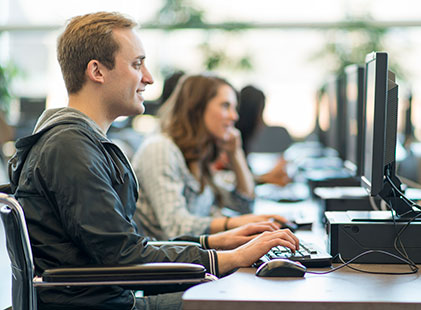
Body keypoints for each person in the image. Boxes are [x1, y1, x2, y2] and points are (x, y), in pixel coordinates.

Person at [8, 11, 298, 310]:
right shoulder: (70, 148)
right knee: (252, 301)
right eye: (137, 64)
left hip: (111, 297)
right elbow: (125, 258)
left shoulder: (80, 143)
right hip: (107, 304)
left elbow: (125, 247)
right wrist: (230, 258)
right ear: (97, 71)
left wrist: (214, 242)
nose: (148, 77)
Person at [133, 75, 289, 239]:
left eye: (234, 108)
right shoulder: (160, 149)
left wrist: (235, 154)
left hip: (194, 258)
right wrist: (233, 223)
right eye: (225, 106)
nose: (234, 116)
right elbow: (175, 227)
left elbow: (243, 205)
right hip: (168, 262)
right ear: (197, 108)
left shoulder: (198, 153)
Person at [234, 85, 291, 186]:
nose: (262, 123)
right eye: (260, 115)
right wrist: (268, 177)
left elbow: (245, 176)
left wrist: (268, 176)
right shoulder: (230, 144)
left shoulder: (242, 144)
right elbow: (231, 181)